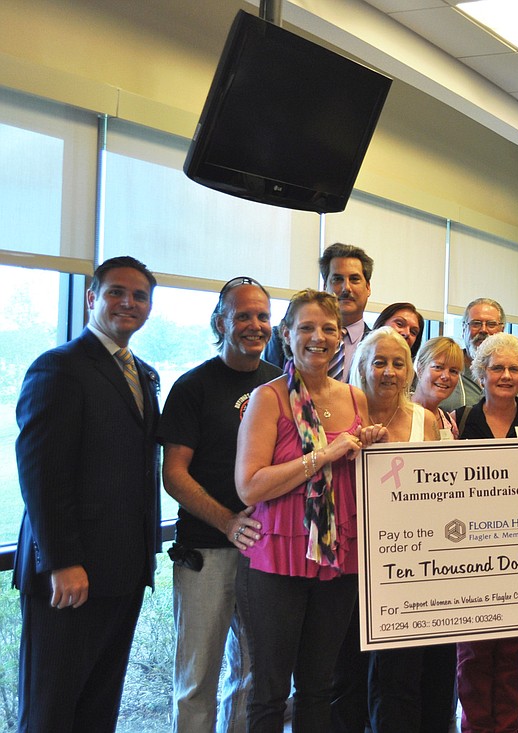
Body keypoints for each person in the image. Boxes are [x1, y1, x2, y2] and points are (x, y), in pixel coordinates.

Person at [14, 255, 161, 732]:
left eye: (140, 296)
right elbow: (41, 473)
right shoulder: (58, 368)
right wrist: (62, 561)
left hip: (123, 571)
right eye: (117, 291)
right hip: (69, 575)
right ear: (92, 298)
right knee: (51, 710)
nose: (128, 302)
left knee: (99, 706)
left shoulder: (142, 373)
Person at [235, 289, 380, 732]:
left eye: (328, 329)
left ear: (340, 337)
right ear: (286, 334)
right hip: (278, 558)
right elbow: (249, 485)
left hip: (338, 558)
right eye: (307, 328)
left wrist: (367, 449)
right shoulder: (268, 398)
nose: (318, 337)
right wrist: (323, 455)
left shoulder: (356, 398)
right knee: (270, 691)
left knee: (319, 687)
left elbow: (353, 474)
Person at [159, 277, 282, 733]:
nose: (255, 325)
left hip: (265, 553)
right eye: (242, 316)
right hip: (206, 552)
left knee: (252, 675)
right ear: (220, 323)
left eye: (263, 316)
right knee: (196, 680)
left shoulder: (281, 384)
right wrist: (228, 522)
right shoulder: (192, 387)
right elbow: (174, 474)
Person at [344, 327, 452, 732]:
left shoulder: (426, 420)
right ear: (362, 366)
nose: (389, 372)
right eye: (379, 362)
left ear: (410, 371)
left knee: (399, 678)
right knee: (347, 675)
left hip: (408, 567)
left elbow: (439, 491)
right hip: (349, 562)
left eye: (398, 363)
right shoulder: (342, 415)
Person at [454, 332, 518, 733]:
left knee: (511, 652)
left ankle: (508, 727)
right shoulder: (460, 421)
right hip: (468, 553)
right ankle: (474, 727)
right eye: (497, 368)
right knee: (472, 653)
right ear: (481, 373)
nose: (506, 375)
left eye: (514, 369)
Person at [264, 242, 374, 381]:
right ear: (325, 286)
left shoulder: (377, 344)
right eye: (337, 279)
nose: (346, 287)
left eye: (354, 279)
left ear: (368, 287)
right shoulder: (282, 337)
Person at [439, 297, 518, 415]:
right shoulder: (444, 373)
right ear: (464, 329)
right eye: (476, 324)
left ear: (502, 330)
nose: (483, 330)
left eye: (491, 324)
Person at [413, 336, 466, 440]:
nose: (446, 376)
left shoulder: (450, 424)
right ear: (420, 369)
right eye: (438, 367)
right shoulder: (398, 414)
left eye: (453, 371)